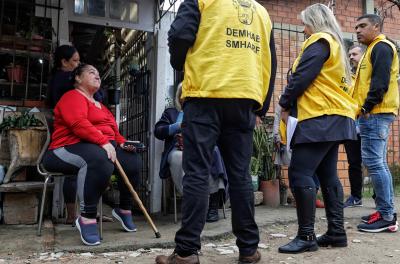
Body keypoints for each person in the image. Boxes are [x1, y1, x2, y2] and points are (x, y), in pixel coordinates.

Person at [155, 0, 277, 263]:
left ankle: (187, 251)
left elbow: (179, 35)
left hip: (205, 93)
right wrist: (261, 106)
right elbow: (270, 62)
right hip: (244, 98)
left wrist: (180, 62)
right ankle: (248, 249)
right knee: (240, 175)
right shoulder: (261, 12)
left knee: (197, 171)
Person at [277, 4, 358, 254]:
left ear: (314, 22)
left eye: (305, 24)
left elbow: (302, 76)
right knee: (328, 175)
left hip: (320, 116)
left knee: (299, 174)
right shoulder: (336, 45)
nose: (303, 29)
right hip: (338, 115)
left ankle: (306, 236)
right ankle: (336, 232)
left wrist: (284, 104)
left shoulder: (319, 40)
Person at [42, 64, 142, 246]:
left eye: (98, 73)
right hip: (65, 148)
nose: (97, 75)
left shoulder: (102, 107)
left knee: (132, 160)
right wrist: (103, 142)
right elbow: (78, 124)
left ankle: (124, 209)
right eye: (91, 72)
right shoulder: (71, 97)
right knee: (98, 158)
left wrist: (122, 143)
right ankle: (87, 217)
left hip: (96, 146)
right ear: (78, 78)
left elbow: (114, 131)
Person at [154, 83, 228, 222]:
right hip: (178, 148)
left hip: (200, 148)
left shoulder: (203, 113)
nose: (187, 97)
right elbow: (158, 131)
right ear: (179, 97)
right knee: (179, 157)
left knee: (214, 152)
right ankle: (192, 200)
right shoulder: (171, 112)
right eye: (184, 94)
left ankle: (212, 205)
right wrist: (178, 127)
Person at [353, 14, 399, 233]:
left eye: (362, 26)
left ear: (376, 26)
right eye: (356, 27)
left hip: (375, 113)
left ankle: (387, 215)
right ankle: (385, 211)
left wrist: (365, 108)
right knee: (378, 162)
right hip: (376, 113)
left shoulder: (381, 47)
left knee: (374, 163)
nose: (358, 30)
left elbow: (379, 83)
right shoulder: (372, 49)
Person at [273, 97, 324, 209]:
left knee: (313, 168)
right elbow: (277, 115)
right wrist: (276, 136)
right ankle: (300, 198)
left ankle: (311, 198)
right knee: (295, 169)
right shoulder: (286, 96)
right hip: (292, 138)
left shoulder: (308, 94)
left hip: (309, 135)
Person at [343, 44, 365, 208]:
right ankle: (356, 197)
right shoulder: (347, 76)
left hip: (368, 119)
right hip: (351, 122)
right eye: (349, 55)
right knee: (354, 161)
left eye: (355, 54)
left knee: (374, 160)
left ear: (363, 56)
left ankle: (380, 196)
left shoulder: (367, 74)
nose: (351, 57)